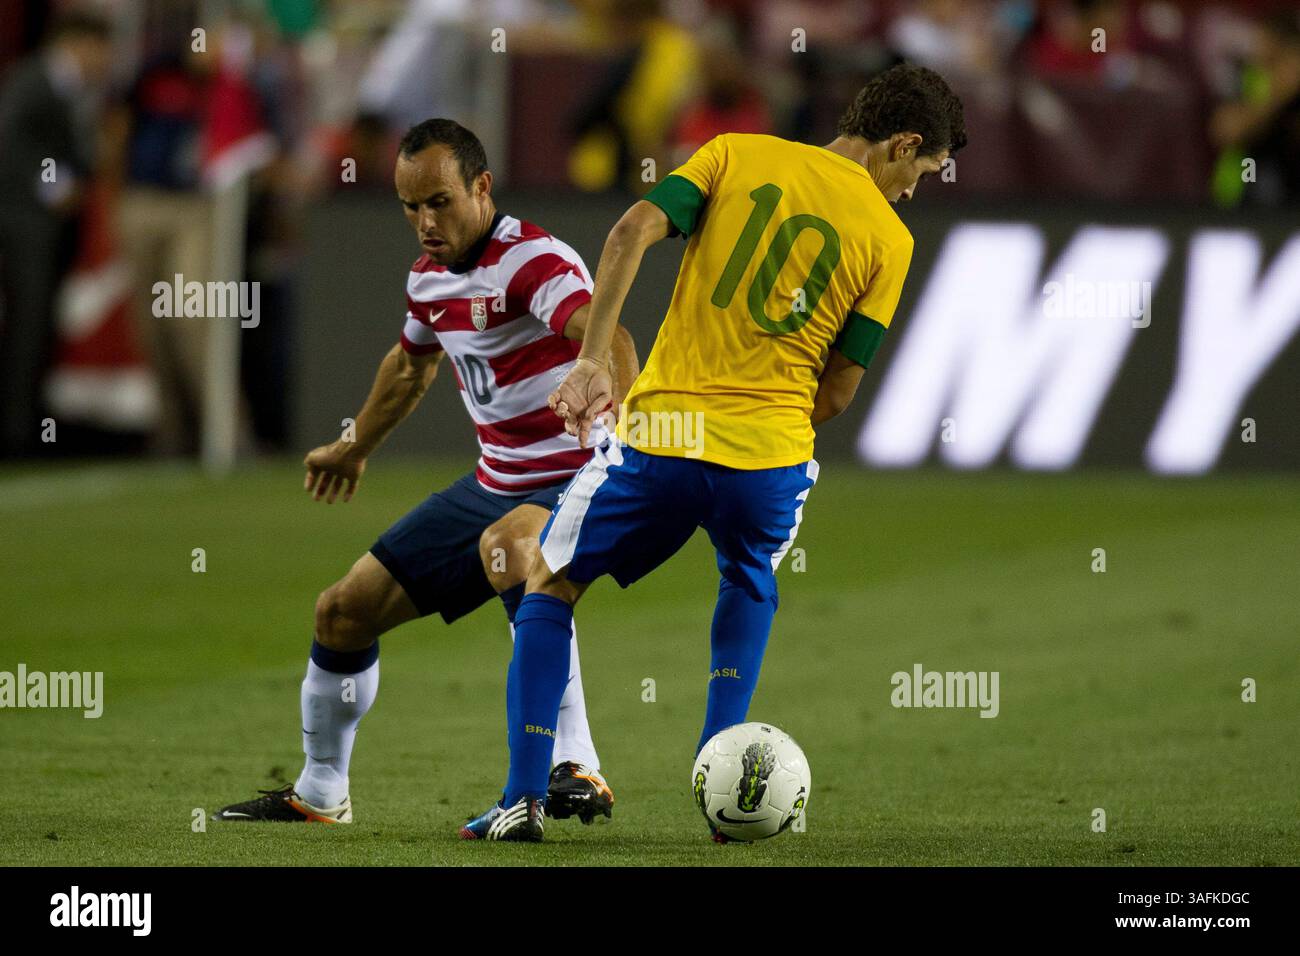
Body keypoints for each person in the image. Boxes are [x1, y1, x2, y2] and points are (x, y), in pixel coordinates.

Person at [468, 64, 965, 842]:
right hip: (768, 459)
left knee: (551, 580)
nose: (912, 191)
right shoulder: (889, 239)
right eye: (923, 172)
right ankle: (718, 782)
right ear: (902, 143)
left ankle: (523, 798)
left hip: (664, 436)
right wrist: (765, 413)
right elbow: (836, 393)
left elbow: (631, 229)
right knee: (750, 577)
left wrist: (593, 359)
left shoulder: (734, 153)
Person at [213, 119, 639, 829]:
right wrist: (355, 445)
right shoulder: (429, 277)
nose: (424, 221)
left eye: (439, 201)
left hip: (573, 476)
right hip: (493, 483)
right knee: (341, 612)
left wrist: (615, 421)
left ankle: (575, 764)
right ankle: (320, 793)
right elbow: (412, 364)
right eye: (410, 206)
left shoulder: (530, 260)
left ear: (481, 186)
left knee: (511, 550)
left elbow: (610, 331)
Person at [0, 9, 113, 458]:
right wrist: (54, 188)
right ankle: (17, 435)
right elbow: (11, 144)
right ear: (79, 43)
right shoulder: (30, 81)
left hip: (48, 229)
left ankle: (28, 425)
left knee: (39, 325)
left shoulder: (74, 90)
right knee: (27, 324)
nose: (107, 60)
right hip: (21, 223)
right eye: (104, 50)